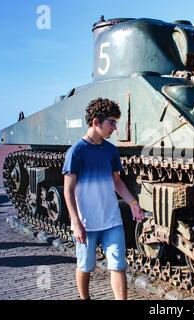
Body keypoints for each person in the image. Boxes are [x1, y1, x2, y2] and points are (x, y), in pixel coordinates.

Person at [62, 98, 144, 300]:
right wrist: (76, 222)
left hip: (111, 221)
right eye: (112, 122)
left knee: (118, 265)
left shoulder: (110, 150)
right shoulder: (76, 152)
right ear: (97, 122)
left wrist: (133, 203)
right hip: (87, 223)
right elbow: (68, 190)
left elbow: (117, 182)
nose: (115, 128)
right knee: (86, 266)